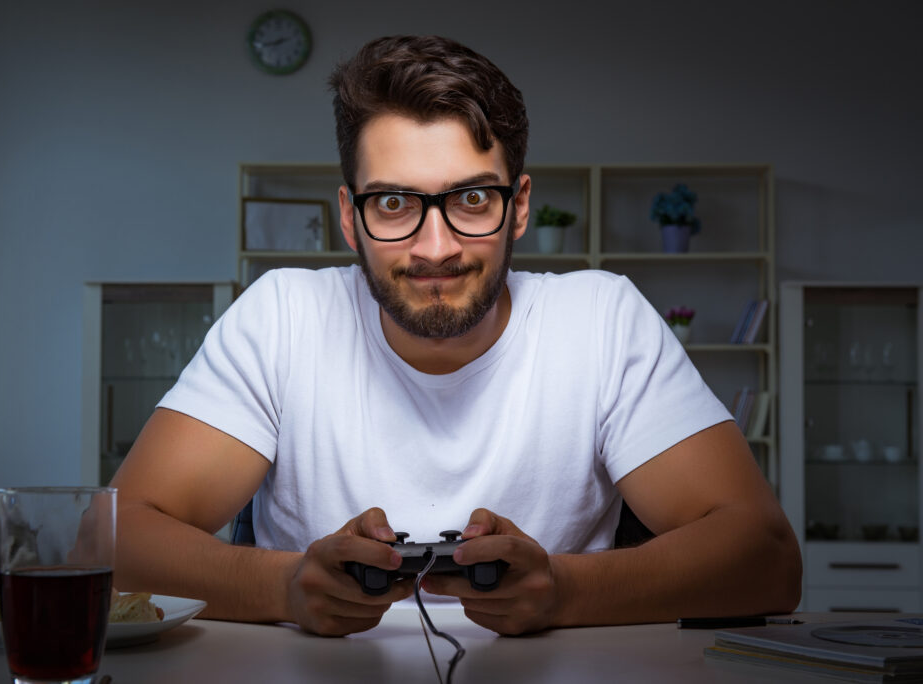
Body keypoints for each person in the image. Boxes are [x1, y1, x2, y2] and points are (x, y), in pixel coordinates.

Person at [111, 35, 801, 638]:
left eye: (472, 199)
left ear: (520, 205)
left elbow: (768, 558)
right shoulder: (283, 317)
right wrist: (286, 587)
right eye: (394, 203)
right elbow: (110, 540)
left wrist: (565, 591)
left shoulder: (602, 319)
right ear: (350, 218)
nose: (435, 247)